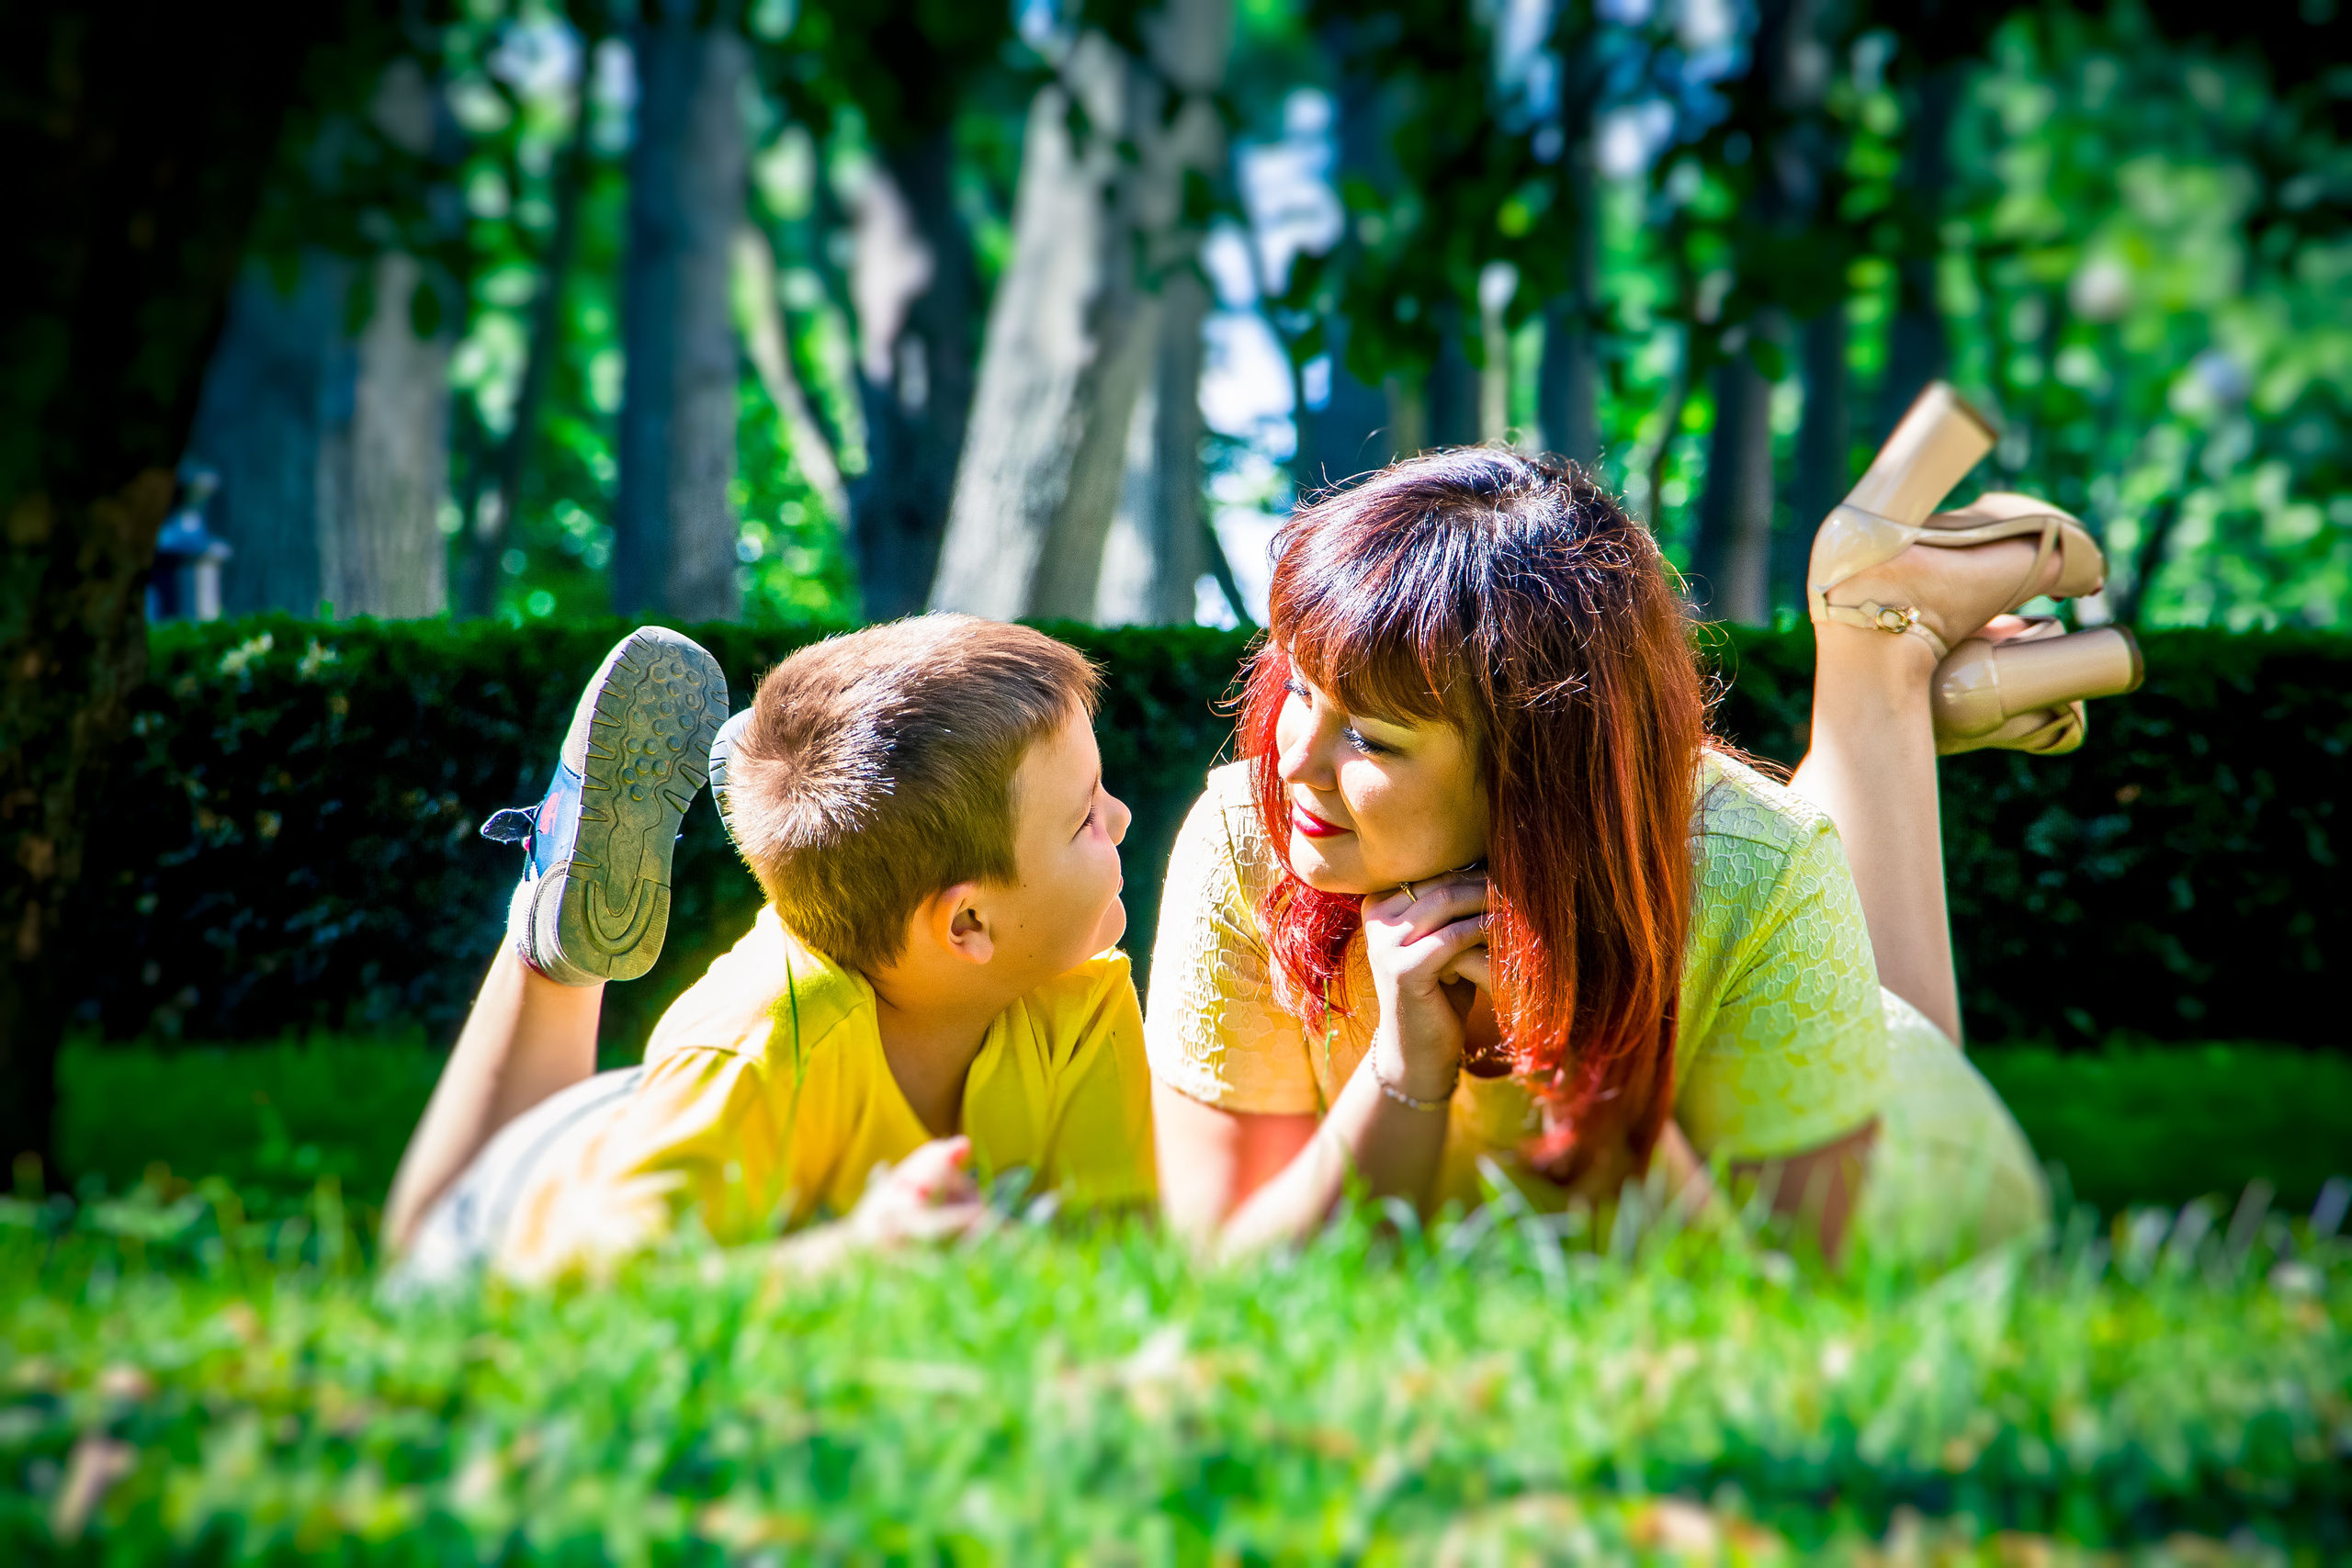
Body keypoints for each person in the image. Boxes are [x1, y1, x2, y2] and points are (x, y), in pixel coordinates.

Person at [1145, 384, 2143, 1264]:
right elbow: (1231, 1269)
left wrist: (1580, 1067)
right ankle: (1891, 670)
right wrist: (1402, 1075)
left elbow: (1793, 1308)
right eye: (1300, 689)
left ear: (1534, 769)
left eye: (1371, 737)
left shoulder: (1754, 861)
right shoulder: (1250, 836)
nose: (1291, 758)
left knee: (1767, 867)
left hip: (1904, 1168)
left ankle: (1882, 646)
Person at [383, 615, 1153, 1282]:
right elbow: (595, 1288)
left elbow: (1115, 1242)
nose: (1122, 817)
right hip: (541, 1194)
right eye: (1085, 816)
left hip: (700, 1126)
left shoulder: (1084, 1002)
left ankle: (801, 815)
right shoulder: (753, 1047)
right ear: (967, 925)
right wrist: (854, 1253)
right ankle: (554, 901)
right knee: (416, 1261)